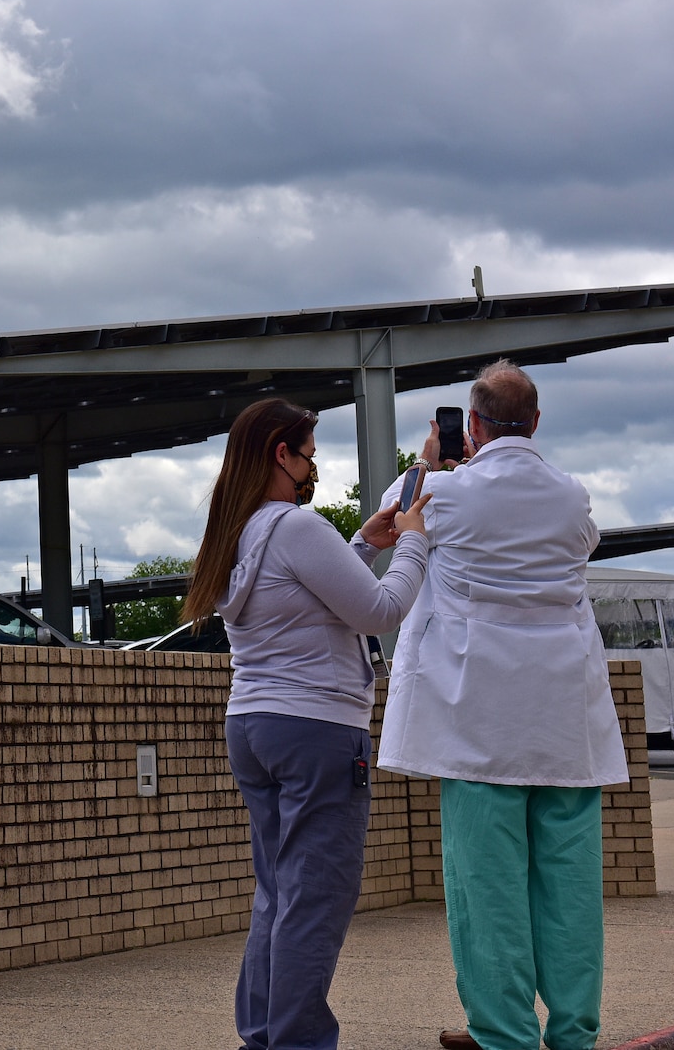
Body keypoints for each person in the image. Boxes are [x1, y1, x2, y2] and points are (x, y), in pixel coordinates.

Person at [375, 360, 626, 1050]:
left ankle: (506, 1035)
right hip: (565, 721)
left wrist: (432, 463)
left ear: (473, 425)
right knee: (570, 888)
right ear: (537, 422)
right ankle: (574, 1033)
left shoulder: (443, 492)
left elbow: (397, 519)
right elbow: (578, 543)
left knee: (487, 892)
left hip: (477, 719)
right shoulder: (572, 497)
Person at [186, 397, 432, 1050]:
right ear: (280, 454)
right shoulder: (295, 526)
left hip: (255, 725)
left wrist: (360, 544)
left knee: (278, 893)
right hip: (317, 729)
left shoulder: (237, 532)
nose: (312, 467)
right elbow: (379, 610)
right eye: (309, 455)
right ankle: (297, 1040)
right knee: (315, 898)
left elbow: (305, 599)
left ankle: (263, 1034)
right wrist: (412, 542)